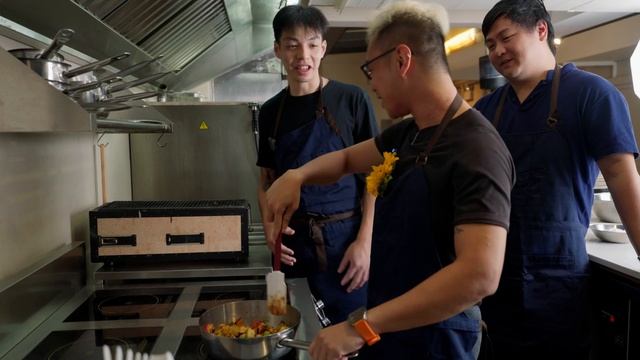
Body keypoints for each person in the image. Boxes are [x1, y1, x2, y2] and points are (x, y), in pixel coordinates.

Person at [265, 2, 515, 359]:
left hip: (437, 341)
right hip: (391, 326)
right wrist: (297, 174)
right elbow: (348, 159)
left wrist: (359, 327)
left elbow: (479, 276)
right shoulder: (412, 132)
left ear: (401, 60)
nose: (372, 84)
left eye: (371, 68)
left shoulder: (476, 147)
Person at [475, 1, 640, 358]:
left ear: (541, 30)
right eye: (490, 44)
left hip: (561, 281)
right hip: (495, 281)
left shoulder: (592, 94)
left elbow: (622, 179)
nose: (497, 51)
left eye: (505, 37)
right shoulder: (486, 111)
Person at [256, 4, 379, 324]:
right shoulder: (270, 111)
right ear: (277, 50)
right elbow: (266, 180)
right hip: (291, 247)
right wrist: (270, 227)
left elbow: (375, 176)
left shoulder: (352, 99)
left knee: (353, 334)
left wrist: (365, 242)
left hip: (346, 245)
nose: (303, 55)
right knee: (287, 329)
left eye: (312, 44)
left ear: (323, 48)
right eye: (292, 45)